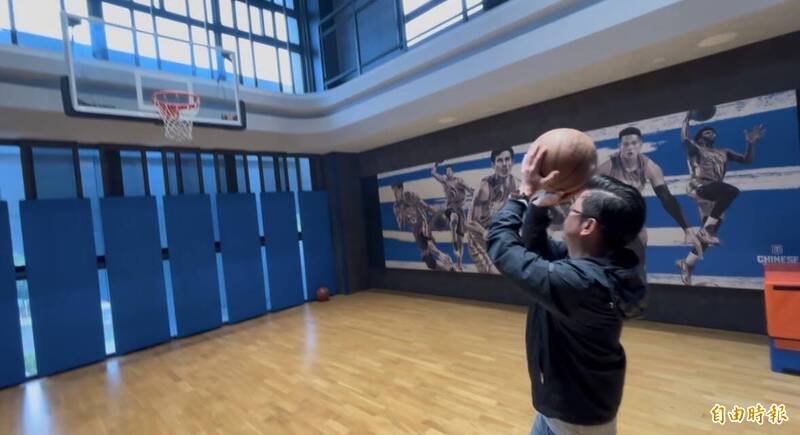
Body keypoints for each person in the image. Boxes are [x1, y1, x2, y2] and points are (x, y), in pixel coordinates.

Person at [487, 138, 647, 435]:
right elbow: (536, 250)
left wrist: (522, 194)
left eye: (573, 207)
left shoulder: (581, 283)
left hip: (575, 421)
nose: (569, 208)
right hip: (565, 405)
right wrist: (538, 207)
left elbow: (502, 248)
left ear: (588, 226)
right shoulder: (605, 262)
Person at [676, 112, 765, 284]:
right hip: (700, 185)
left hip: (716, 194)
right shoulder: (696, 149)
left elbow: (747, 160)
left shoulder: (724, 152)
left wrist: (750, 143)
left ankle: (687, 264)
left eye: (713, 132)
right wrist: (687, 119)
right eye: (707, 131)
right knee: (732, 191)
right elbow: (684, 139)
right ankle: (707, 230)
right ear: (700, 137)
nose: (712, 133)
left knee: (706, 240)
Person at [597, 127, 703, 271]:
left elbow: (666, 198)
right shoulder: (607, 166)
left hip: (633, 219)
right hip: (609, 221)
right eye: (626, 144)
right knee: (607, 266)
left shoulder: (650, 167)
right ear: (619, 146)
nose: (630, 147)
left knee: (638, 264)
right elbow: (587, 192)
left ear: (640, 144)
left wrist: (688, 229)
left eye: (634, 143)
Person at [466, 147, 518, 273]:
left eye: (507, 159)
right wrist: (485, 232)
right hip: (478, 237)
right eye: (500, 160)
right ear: (493, 165)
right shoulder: (484, 187)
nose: (504, 164)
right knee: (493, 273)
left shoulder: (517, 185)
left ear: (512, 162)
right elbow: (469, 222)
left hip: (497, 237)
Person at [391, 182, 454, 271]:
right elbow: (400, 225)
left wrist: (438, 214)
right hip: (415, 231)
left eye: (396, 191)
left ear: (401, 189)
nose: (394, 194)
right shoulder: (396, 206)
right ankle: (447, 269)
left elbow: (425, 207)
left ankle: (442, 257)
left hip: (423, 224)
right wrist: (401, 213)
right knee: (429, 262)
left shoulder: (411, 196)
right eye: (393, 191)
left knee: (425, 241)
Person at [431, 162, 475, 271]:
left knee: (460, 241)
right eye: (446, 171)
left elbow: (469, 189)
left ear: (452, 172)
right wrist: (436, 163)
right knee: (453, 217)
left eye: (450, 170)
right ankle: (453, 234)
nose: (448, 173)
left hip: (460, 210)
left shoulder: (459, 181)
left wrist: (476, 194)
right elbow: (433, 173)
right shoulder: (444, 181)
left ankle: (459, 264)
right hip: (450, 208)